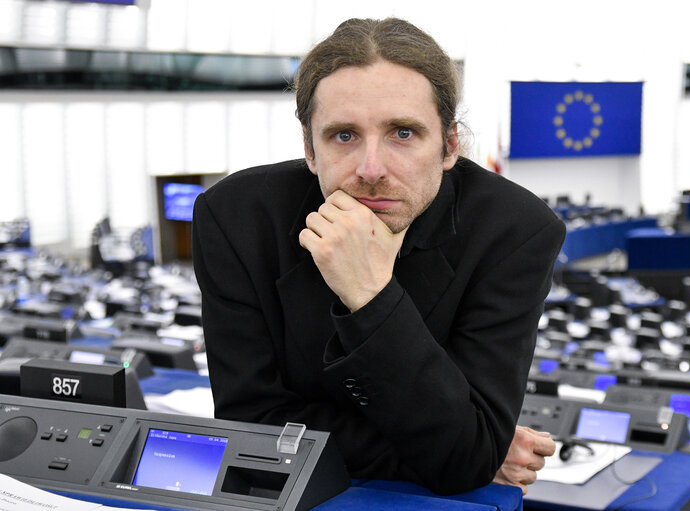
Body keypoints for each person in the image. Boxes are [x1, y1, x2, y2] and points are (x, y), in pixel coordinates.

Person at [192, 17, 564, 496]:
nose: (371, 170)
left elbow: (464, 455)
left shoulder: (515, 230)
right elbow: (254, 426)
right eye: (344, 136)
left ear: (450, 145)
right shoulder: (236, 217)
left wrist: (371, 296)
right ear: (310, 149)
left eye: (403, 133)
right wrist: (462, 448)